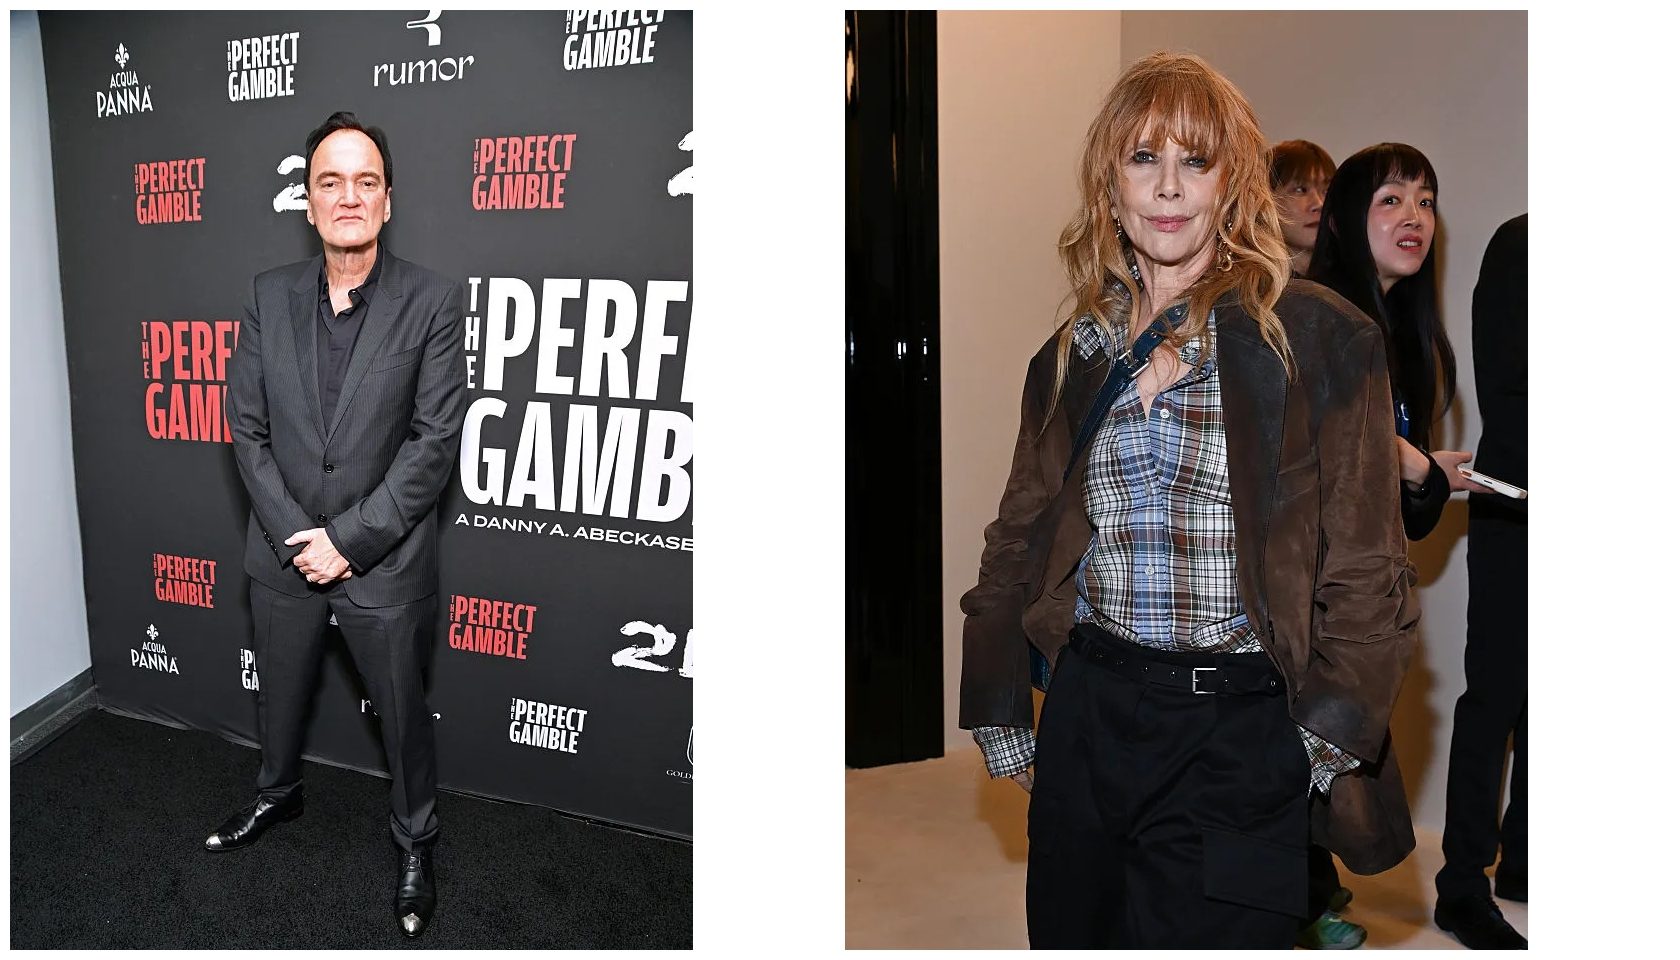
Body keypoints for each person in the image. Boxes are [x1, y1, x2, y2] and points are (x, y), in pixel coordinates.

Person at [959, 52, 1420, 949]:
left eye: (1195, 161)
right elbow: (1017, 537)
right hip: (1090, 710)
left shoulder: (1320, 339)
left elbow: (1369, 568)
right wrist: (998, 698)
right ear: (1110, 184)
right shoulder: (1072, 355)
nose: (1168, 187)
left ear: (1231, 183)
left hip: (1239, 726)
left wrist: (1316, 743)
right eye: (1143, 158)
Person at [213, 111, 466, 939]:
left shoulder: (433, 301)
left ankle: (416, 840)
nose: (348, 196)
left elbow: (433, 443)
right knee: (280, 699)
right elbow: (246, 430)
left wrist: (348, 543)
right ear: (309, 200)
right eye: (330, 181)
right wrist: (301, 540)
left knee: (403, 717)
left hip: (383, 563)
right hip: (282, 555)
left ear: (387, 201)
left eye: (365, 181)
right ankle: (277, 794)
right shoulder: (266, 295)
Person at [1269, 137, 1367, 951]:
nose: (1314, 202)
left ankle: (1310, 893)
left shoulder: (1344, 311)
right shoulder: (1261, 311)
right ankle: (1297, 899)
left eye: (1323, 188)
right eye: (1295, 188)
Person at [1307, 143, 1493, 541]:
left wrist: (1427, 476)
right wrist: (1412, 464)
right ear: (1339, 222)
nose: (1415, 217)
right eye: (1391, 200)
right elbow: (1316, 462)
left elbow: (1409, 524)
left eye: (1426, 203)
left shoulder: (1402, 336)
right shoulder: (1312, 321)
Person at [1433, 214, 1528, 950]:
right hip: (1517, 498)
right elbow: (1508, 385)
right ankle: (1461, 884)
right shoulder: (1522, 242)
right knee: (1493, 696)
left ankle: (1526, 860)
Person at [1268, 139, 1334, 277]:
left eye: (1327, 190)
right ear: (1268, 201)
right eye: (1300, 190)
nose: (1319, 204)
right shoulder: (1250, 286)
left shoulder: (1354, 279)